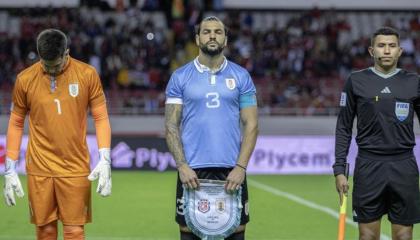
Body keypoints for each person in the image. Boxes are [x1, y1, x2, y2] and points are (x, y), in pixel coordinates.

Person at [3, 28, 112, 240]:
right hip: (39, 168)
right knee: (45, 231)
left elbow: (101, 117)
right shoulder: (25, 79)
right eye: (46, 65)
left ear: (66, 53)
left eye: (56, 65)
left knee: (74, 232)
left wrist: (105, 158)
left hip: (75, 166)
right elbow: (16, 122)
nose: (51, 70)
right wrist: (10, 167)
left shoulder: (87, 74)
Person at [165, 16, 258, 240]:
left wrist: (241, 168)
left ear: (225, 39)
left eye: (218, 32)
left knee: (235, 235)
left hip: (231, 173)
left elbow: (252, 124)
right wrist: (182, 166)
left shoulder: (241, 76)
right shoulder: (180, 77)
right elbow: (170, 125)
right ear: (198, 39)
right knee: (189, 235)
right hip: (192, 173)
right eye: (207, 32)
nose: (212, 35)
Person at [334, 26, 420, 240]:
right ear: (372, 51)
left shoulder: (414, 82)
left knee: (404, 237)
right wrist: (339, 169)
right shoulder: (356, 81)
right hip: (368, 166)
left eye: (392, 46)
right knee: (367, 236)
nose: (387, 50)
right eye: (381, 46)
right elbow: (344, 126)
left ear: (400, 51)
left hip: (404, 166)